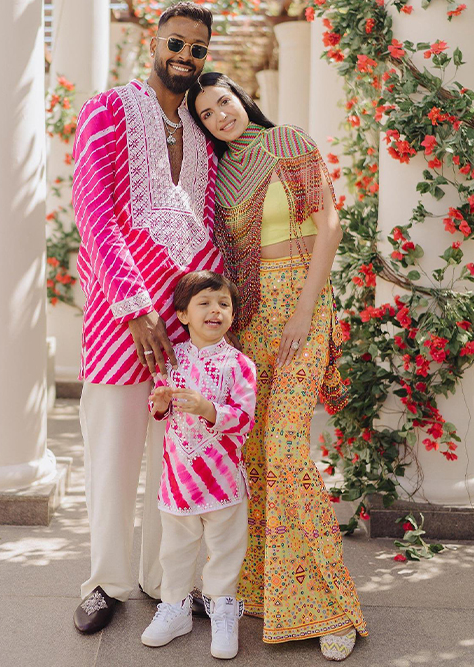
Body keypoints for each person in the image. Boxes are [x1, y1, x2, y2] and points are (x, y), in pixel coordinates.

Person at [188, 71, 366, 661]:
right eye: (208, 114)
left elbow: (330, 227)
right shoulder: (217, 179)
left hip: (303, 309)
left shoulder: (290, 142)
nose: (221, 116)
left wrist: (306, 309)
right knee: (256, 454)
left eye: (224, 102)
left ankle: (331, 605)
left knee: (287, 451)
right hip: (253, 318)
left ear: (242, 96)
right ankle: (266, 589)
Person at [69, 2, 223, 634]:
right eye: (176, 43)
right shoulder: (108, 111)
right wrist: (135, 308)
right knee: (112, 453)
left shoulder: (203, 132)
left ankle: (166, 582)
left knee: (175, 456)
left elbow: (207, 224)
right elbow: (94, 212)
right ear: (153, 43)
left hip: (184, 327)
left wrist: (208, 312)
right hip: (119, 318)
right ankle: (104, 582)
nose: (185, 56)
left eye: (197, 49)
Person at [140, 271, 255, 660]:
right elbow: (163, 410)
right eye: (204, 303)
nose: (215, 311)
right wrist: (158, 404)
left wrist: (209, 409)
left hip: (223, 481)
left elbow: (244, 418)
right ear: (183, 314)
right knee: (175, 551)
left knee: (225, 550)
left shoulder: (240, 365)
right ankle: (175, 608)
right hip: (178, 481)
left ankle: (223, 610)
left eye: (223, 304)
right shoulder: (173, 361)